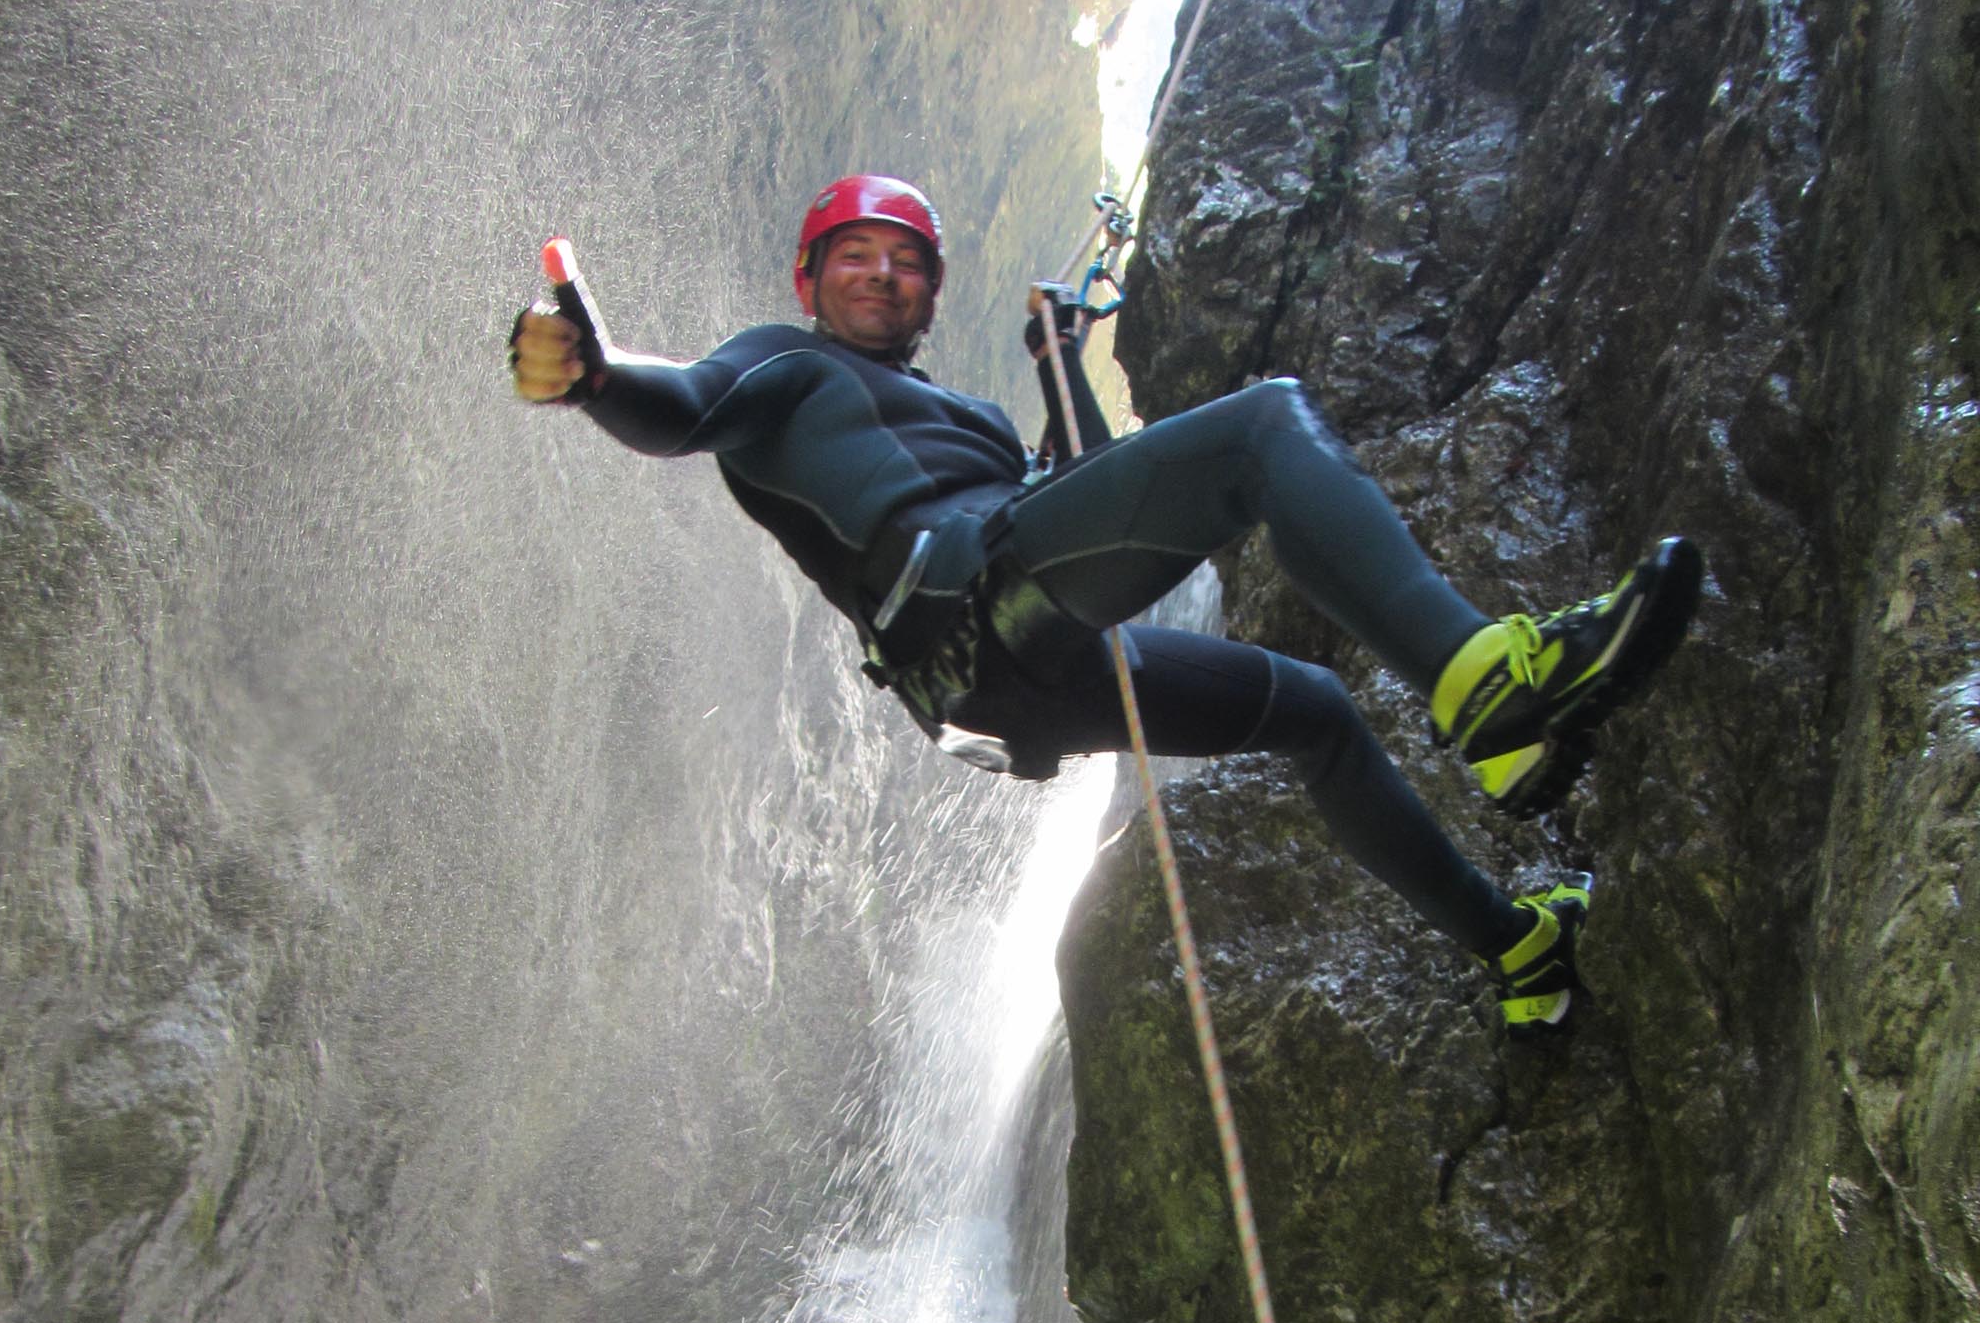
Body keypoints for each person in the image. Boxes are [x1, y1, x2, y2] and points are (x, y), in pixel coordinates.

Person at [508, 174, 1702, 1037]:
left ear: (931, 292)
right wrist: (597, 377)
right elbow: (685, 404)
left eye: (907, 259)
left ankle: (1517, 946)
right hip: (976, 604)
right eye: (854, 254)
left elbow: (1075, 491)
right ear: (808, 279)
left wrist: (1054, 358)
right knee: (1261, 427)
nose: (882, 273)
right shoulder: (781, 366)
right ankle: (1483, 685)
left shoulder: (966, 418)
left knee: (1315, 713)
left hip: (1012, 668)